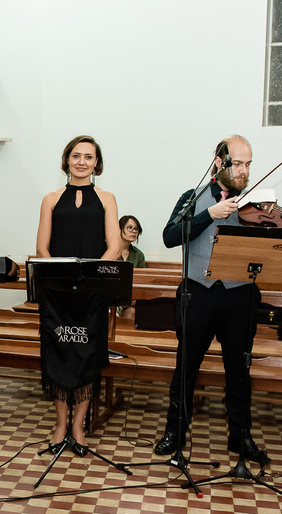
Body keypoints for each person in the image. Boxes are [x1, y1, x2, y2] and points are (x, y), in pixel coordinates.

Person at [153, 135, 269, 464]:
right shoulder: (193, 197)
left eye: (248, 163)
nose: (244, 170)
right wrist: (210, 213)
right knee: (186, 366)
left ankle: (240, 436)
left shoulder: (256, 201)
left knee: (239, 369)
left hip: (240, 295)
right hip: (197, 293)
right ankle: (175, 431)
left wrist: (269, 219)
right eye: (238, 163)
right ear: (219, 163)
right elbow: (170, 236)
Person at [34, 135, 121, 452]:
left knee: (86, 358)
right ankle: (59, 426)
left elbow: (113, 247)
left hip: (91, 293)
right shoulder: (51, 198)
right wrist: (64, 274)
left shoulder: (107, 198)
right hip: (57, 293)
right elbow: (42, 247)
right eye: (76, 156)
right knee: (58, 357)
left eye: (89, 157)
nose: (82, 162)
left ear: (97, 163)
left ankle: (79, 427)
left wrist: (90, 275)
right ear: (66, 160)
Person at [114, 214, 146, 319]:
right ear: (120, 229)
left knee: (132, 312)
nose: (134, 231)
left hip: (129, 300)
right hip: (110, 297)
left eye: (136, 229)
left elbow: (142, 281)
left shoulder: (138, 255)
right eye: (129, 228)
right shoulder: (109, 251)